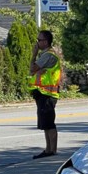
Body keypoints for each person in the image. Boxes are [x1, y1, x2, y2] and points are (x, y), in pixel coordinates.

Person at [29, 30, 64, 159]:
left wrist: (33, 55)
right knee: (45, 123)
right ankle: (48, 149)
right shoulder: (45, 55)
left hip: (48, 94)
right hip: (43, 93)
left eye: (39, 40)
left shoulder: (48, 55)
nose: (37, 42)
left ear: (46, 41)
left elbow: (32, 69)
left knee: (49, 123)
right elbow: (34, 71)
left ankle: (52, 150)